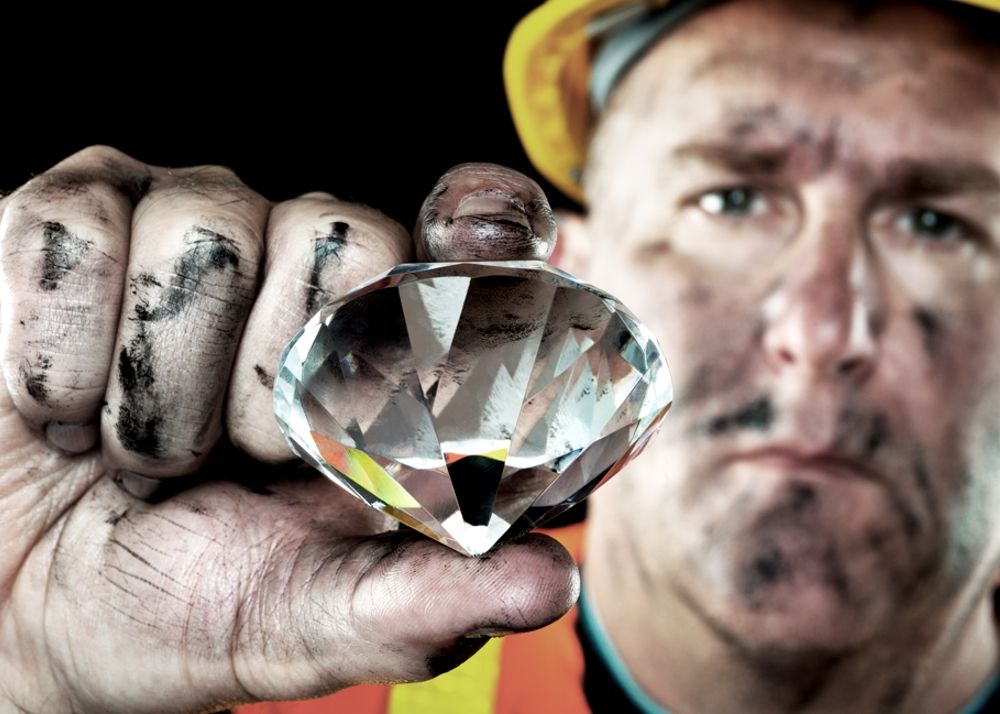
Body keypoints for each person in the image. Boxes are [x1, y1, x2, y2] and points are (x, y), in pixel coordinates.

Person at [0, 1, 997, 713]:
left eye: (937, 222)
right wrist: (26, 667)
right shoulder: (263, 673)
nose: (821, 333)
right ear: (566, 281)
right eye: (728, 201)